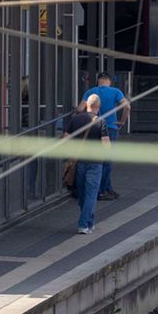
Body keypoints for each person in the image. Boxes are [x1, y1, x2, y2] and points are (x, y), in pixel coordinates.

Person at [64, 95, 110, 234]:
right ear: (99, 107)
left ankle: (90, 221)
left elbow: (65, 138)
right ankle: (83, 224)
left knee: (83, 194)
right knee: (91, 194)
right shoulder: (101, 122)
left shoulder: (75, 119)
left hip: (79, 161)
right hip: (95, 162)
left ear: (86, 105)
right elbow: (106, 145)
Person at [82, 72, 130, 201]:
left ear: (98, 81)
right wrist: (122, 121)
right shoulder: (115, 91)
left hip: (93, 128)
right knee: (107, 160)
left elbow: (80, 109)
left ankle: (100, 188)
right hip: (110, 128)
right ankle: (103, 190)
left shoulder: (90, 92)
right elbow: (127, 106)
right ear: (108, 81)